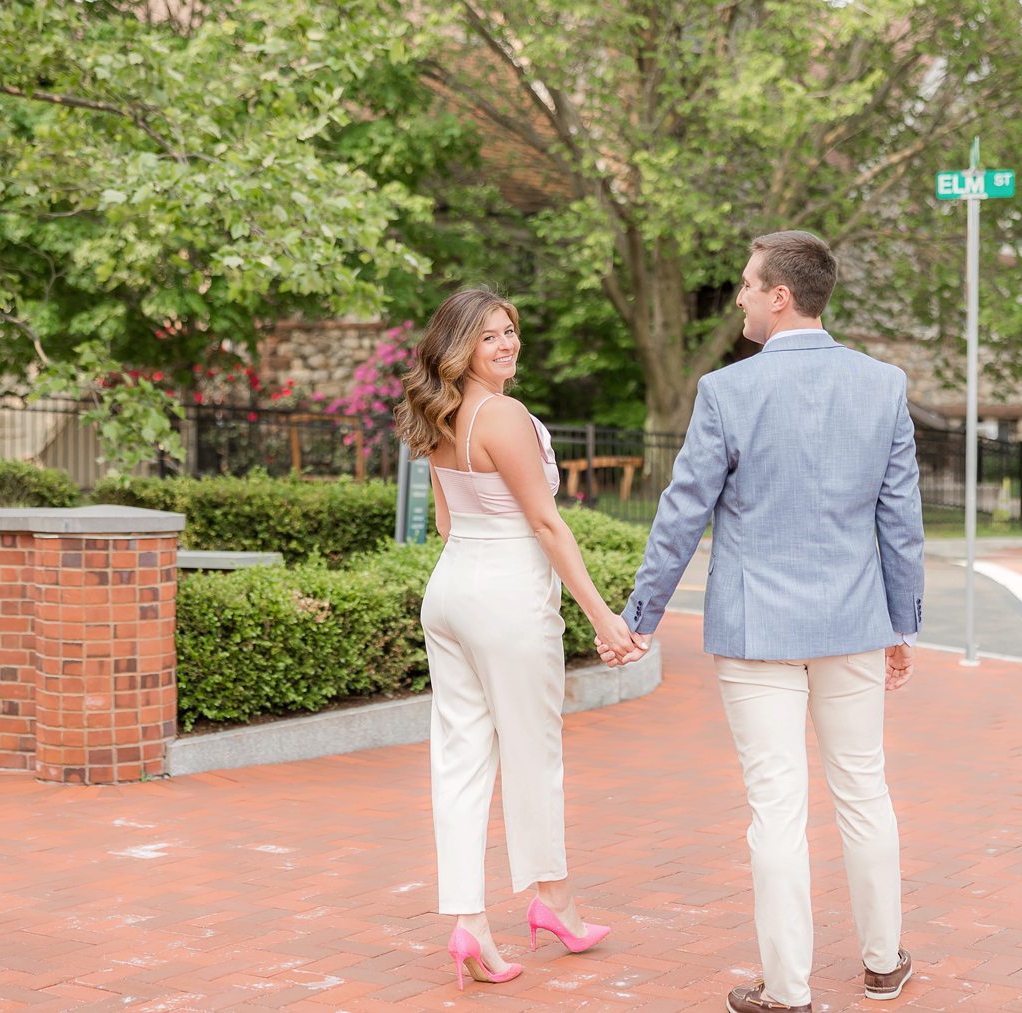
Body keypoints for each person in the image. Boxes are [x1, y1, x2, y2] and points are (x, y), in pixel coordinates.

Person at [598, 231, 924, 1012]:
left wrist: (641, 612)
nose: (739, 296)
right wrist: (901, 623)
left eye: (748, 285)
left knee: (776, 805)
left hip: (757, 632)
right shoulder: (883, 385)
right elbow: (901, 521)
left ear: (782, 295)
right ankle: (883, 964)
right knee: (863, 789)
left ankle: (789, 990)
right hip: (852, 623)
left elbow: (683, 513)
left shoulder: (728, 393)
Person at [394, 288, 645, 990]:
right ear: (460, 347)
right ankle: (553, 901)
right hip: (506, 594)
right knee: (534, 752)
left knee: (462, 758)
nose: (507, 345)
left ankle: (470, 920)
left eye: (510, 331)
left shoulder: (438, 412)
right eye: (489, 337)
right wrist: (603, 617)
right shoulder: (501, 415)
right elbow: (546, 524)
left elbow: (446, 522)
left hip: (450, 591)